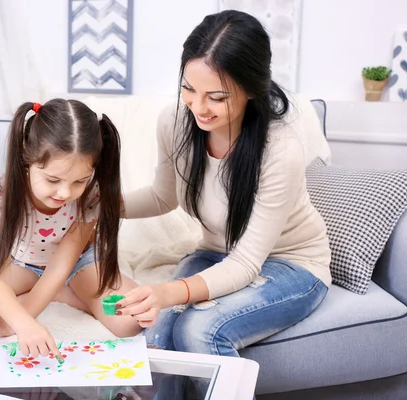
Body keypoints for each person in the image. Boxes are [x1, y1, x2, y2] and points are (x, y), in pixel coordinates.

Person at [116, 10, 332, 358]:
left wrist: (168, 291)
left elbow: (246, 264)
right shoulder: (174, 123)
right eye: (188, 88)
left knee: (199, 331)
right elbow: (162, 196)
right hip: (215, 255)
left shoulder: (280, 150)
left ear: (250, 89)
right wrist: (97, 203)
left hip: (291, 264)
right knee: (155, 332)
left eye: (216, 97)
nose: (198, 107)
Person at [0, 99, 141, 359]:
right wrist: (23, 323)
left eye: (79, 181)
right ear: (26, 159)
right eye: (53, 179)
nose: (65, 193)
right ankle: (63, 294)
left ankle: (64, 294)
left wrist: (19, 318)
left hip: (77, 265)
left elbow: (61, 265)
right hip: (26, 266)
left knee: (129, 320)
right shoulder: (6, 193)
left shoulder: (90, 196)